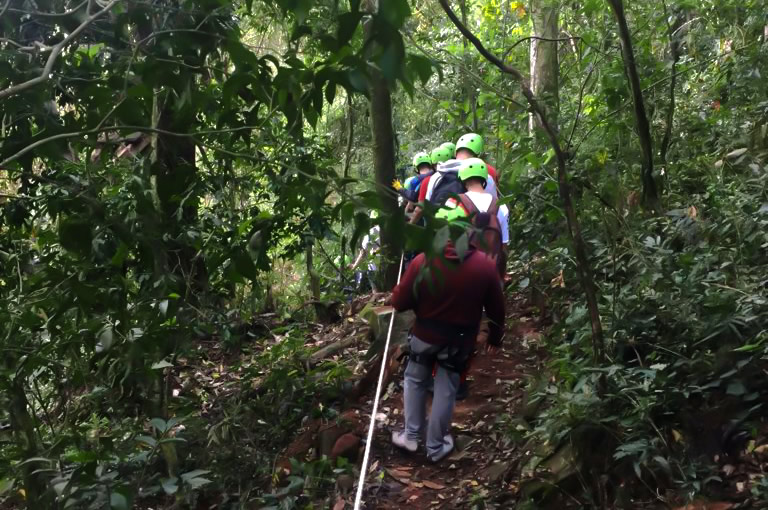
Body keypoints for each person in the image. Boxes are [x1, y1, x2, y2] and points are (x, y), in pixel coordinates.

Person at [390, 236, 505, 462]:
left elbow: (400, 302)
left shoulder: (424, 261)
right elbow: (496, 309)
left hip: (425, 336)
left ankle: (411, 436)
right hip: (459, 342)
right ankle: (435, 446)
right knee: (446, 387)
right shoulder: (484, 266)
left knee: (414, 378)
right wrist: (495, 338)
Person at [348, 212, 380, 292]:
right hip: (389, 264)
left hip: (374, 267)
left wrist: (354, 266)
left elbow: (363, 254)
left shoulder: (369, 234)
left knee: (376, 291)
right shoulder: (390, 231)